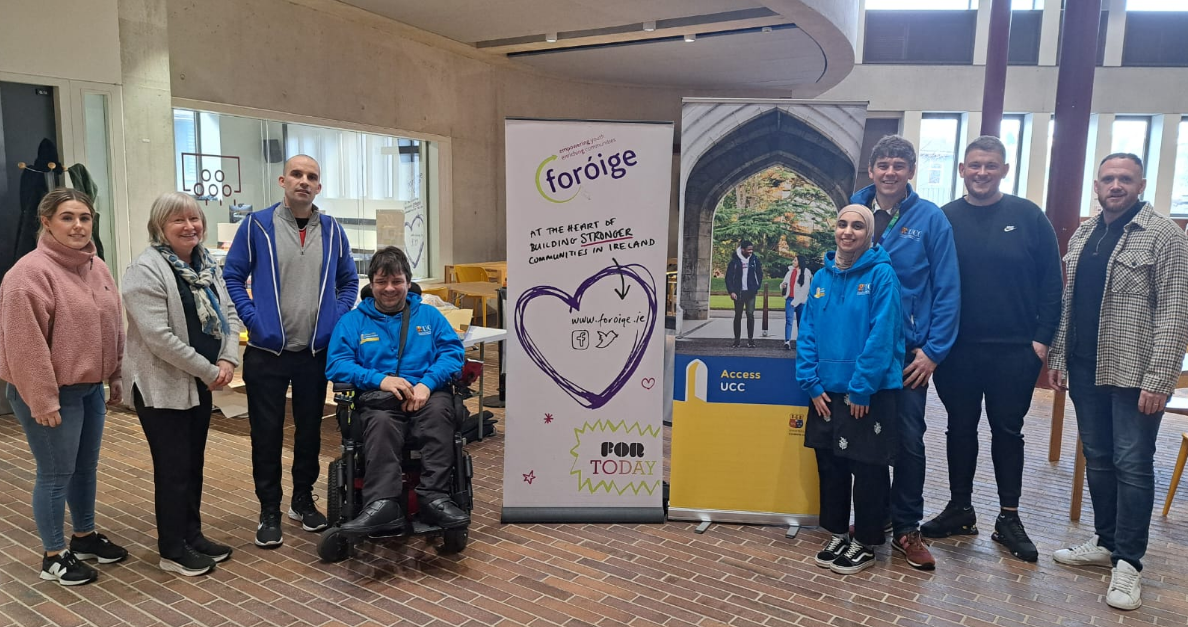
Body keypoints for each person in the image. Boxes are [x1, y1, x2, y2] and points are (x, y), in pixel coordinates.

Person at [1047, 154, 1188, 610]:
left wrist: (1160, 377)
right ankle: (1105, 541)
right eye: (1107, 178)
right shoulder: (1087, 233)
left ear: (1140, 184)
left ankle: (1129, 563)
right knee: (1099, 458)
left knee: (1133, 464)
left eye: (1124, 178)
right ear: (1096, 185)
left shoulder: (1164, 235)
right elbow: (1070, 302)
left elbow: (1175, 311)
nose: (1115, 185)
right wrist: (1059, 356)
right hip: (1086, 367)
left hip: (1135, 374)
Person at [927, 136, 1063, 563]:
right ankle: (960, 509)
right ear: (962, 170)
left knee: (1008, 432)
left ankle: (1009, 516)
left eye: (990, 165)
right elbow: (929, 284)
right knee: (959, 429)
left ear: (1005, 169)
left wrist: (1040, 342)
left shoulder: (1028, 216)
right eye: (974, 165)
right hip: (958, 351)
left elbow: (1051, 285)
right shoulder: (943, 218)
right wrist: (934, 344)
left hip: (1014, 353)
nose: (981, 172)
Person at [224, 154, 359, 547]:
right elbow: (233, 276)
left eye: (312, 177)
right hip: (267, 352)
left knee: (310, 432)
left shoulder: (333, 230)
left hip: (313, 355)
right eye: (297, 174)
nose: (304, 181)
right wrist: (253, 318)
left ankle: (302, 499)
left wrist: (333, 318)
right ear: (283, 181)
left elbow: (348, 280)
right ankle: (269, 509)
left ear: (319, 187)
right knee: (265, 434)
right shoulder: (256, 226)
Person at [0, 189, 128, 586]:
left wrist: (116, 375)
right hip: (49, 391)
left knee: (83, 468)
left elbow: (113, 325)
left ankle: (85, 536)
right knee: (55, 473)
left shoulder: (96, 266)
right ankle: (53, 555)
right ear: (47, 222)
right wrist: (41, 399)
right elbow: (24, 345)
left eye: (85, 218)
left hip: (89, 389)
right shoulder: (27, 274)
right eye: (68, 217)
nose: (78, 226)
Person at [851, 134, 960, 571]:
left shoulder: (931, 220)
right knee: (864, 439)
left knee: (910, 441)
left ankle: (908, 527)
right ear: (872, 170)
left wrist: (933, 353)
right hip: (860, 350)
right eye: (883, 165)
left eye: (899, 165)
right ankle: (873, 520)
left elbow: (949, 288)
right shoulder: (853, 212)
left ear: (911, 171)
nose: (890, 172)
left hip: (909, 355)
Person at [122, 192, 242, 576]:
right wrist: (209, 370)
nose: (190, 226)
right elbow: (158, 338)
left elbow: (228, 313)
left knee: (193, 464)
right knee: (173, 469)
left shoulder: (207, 265)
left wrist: (227, 358)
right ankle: (172, 549)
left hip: (201, 384)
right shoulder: (145, 271)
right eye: (179, 220)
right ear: (160, 227)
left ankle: (193, 534)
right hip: (163, 387)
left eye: (195, 219)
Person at [325, 246, 469, 533]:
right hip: (380, 401)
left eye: (397, 281)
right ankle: (383, 504)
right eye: (381, 282)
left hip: (427, 396)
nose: (389, 289)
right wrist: (380, 380)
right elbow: (336, 364)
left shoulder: (429, 316)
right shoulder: (352, 322)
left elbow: (453, 354)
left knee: (441, 412)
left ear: (408, 281)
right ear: (371, 284)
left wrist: (426, 385)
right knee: (379, 423)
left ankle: (434, 497)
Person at [796, 204, 904, 575]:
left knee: (869, 467)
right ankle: (839, 533)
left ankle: (866, 542)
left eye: (858, 226)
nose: (848, 231)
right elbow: (807, 330)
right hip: (825, 391)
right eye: (842, 224)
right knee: (831, 465)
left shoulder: (882, 275)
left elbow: (882, 335)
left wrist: (861, 388)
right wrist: (810, 382)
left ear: (869, 233)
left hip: (867, 392)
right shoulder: (823, 278)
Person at [725, 240, 763, 348]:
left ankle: (750, 339)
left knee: (750, 315)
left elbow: (759, 274)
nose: (751, 252)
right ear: (742, 249)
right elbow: (728, 277)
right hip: (738, 292)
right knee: (738, 315)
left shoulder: (754, 260)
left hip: (750, 292)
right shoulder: (734, 261)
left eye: (752, 249)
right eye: (748, 250)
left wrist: (757, 286)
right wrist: (731, 291)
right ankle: (737, 340)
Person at [780, 255, 811, 350]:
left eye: (795, 260)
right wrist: (783, 285)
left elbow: (805, 289)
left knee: (800, 322)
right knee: (789, 320)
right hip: (790, 299)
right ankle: (787, 341)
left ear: (800, 262)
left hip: (801, 301)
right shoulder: (790, 272)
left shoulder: (806, 273)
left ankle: (801, 342)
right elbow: (783, 283)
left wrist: (796, 302)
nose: (793, 262)